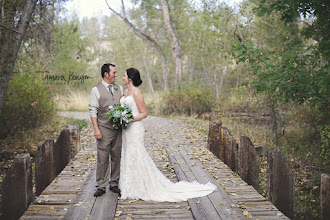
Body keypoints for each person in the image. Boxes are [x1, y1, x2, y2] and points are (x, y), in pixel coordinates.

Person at [119, 68, 216, 202]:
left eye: (124, 75)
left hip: (134, 128)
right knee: (128, 153)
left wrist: (129, 119)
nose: (122, 77)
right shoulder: (125, 92)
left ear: (129, 78)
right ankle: (130, 186)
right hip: (126, 129)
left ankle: (143, 186)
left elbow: (144, 113)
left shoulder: (136, 92)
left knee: (137, 153)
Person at [89, 63, 123, 197]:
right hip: (103, 129)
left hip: (118, 129)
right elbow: (93, 110)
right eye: (114, 73)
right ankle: (101, 186)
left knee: (117, 156)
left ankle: (114, 183)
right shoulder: (95, 90)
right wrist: (96, 129)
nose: (116, 75)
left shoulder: (119, 88)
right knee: (102, 158)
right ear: (106, 74)